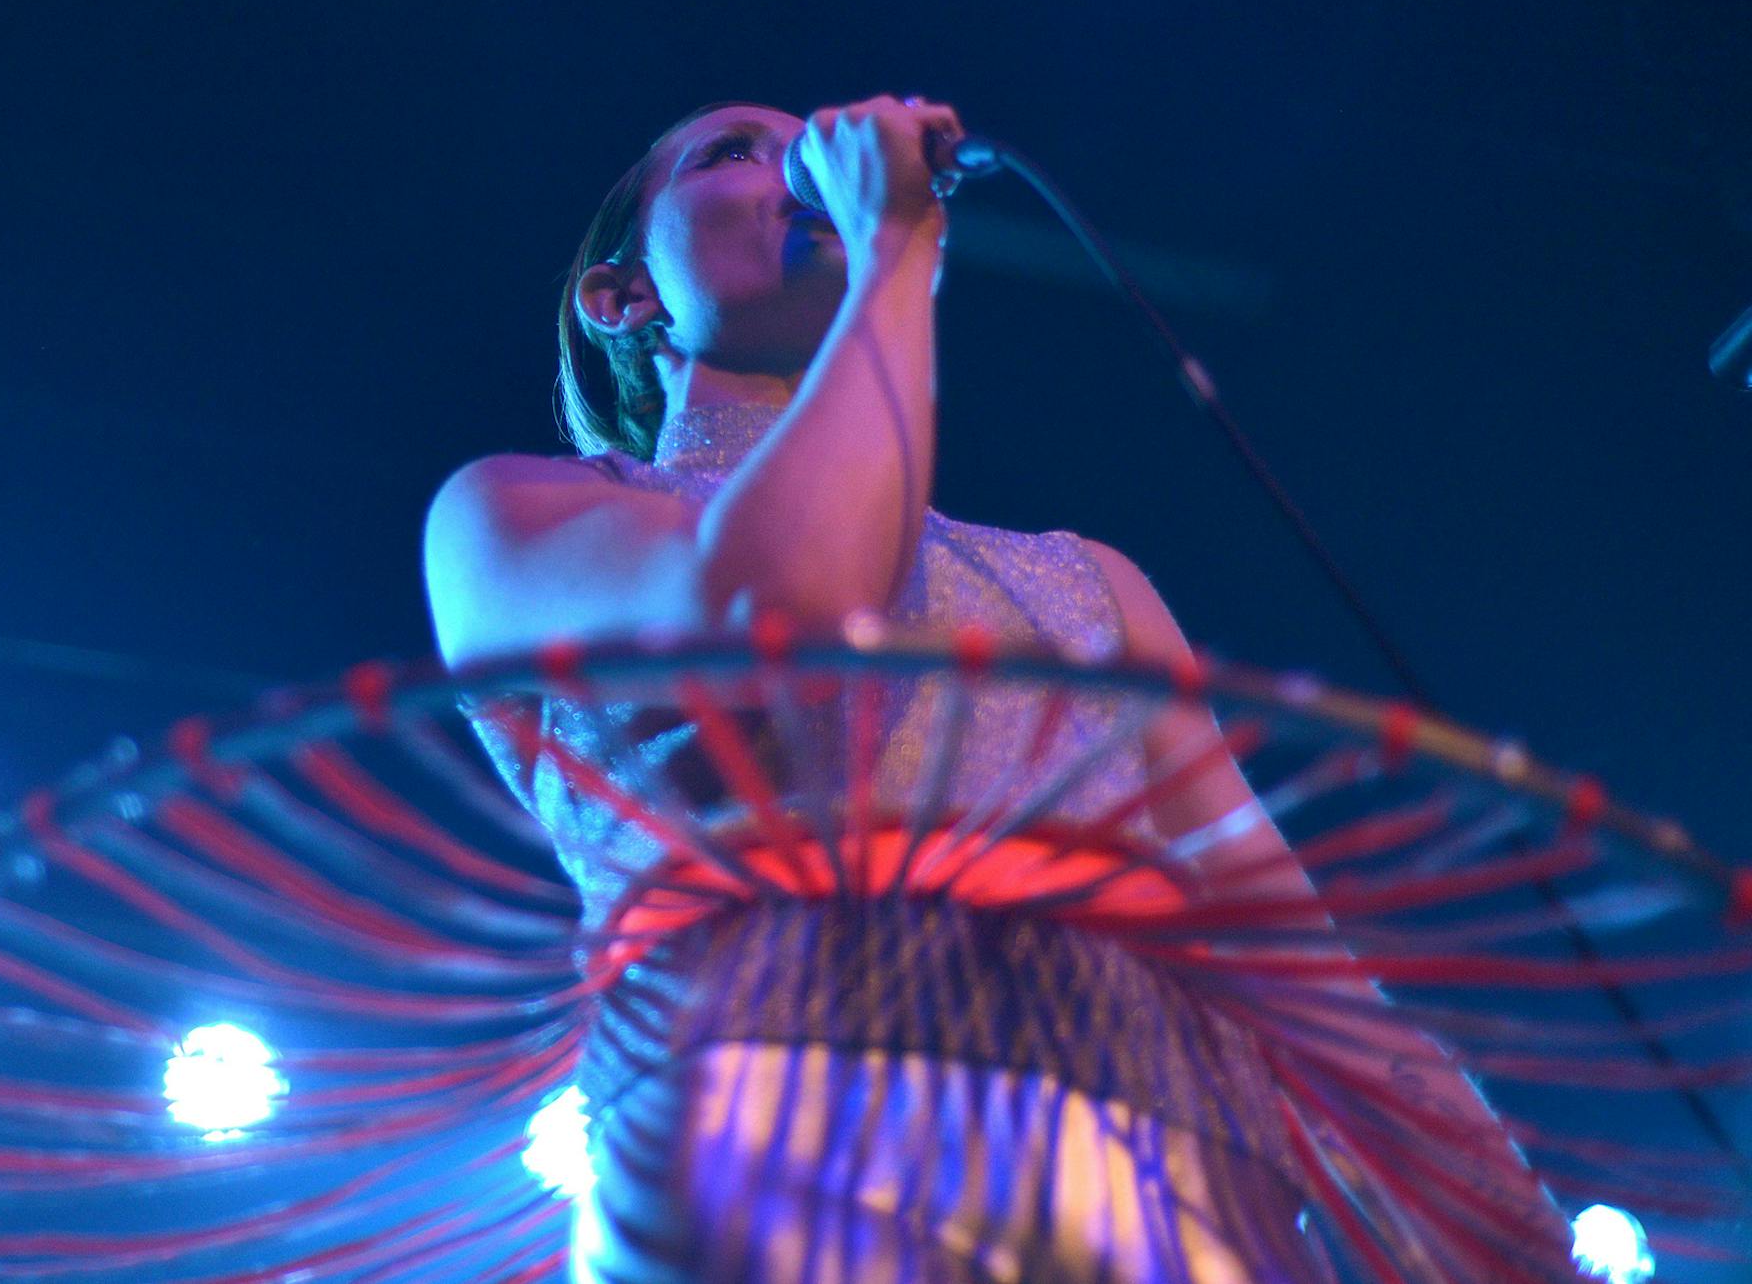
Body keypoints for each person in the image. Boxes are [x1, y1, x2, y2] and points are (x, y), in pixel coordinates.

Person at [423, 97, 1567, 1282]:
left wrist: (1509, 1241)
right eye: (733, 153)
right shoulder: (518, 515)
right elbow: (793, 617)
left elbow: (1297, 969)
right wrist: (896, 251)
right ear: (625, 298)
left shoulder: (1085, 583)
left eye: (804, 140)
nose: (800, 165)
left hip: (1144, 1210)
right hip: (776, 1191)